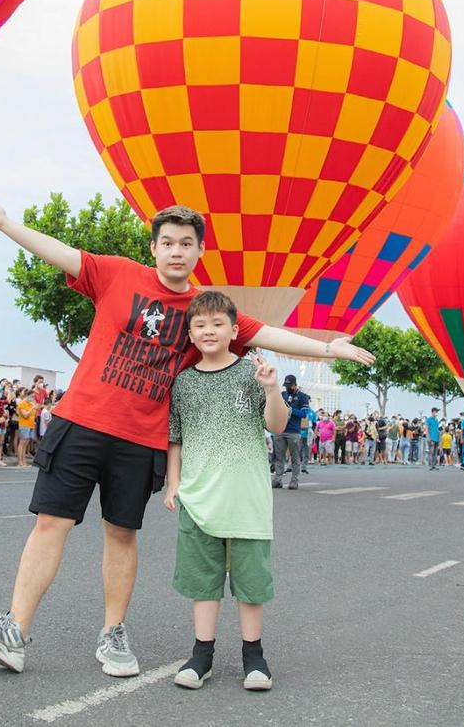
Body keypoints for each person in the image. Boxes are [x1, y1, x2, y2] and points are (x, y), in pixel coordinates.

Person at [0, 201, 372, 676]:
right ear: (154, 247)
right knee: (51, 523)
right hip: (82, 422)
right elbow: (63, 255)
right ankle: (13, 631)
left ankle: (113, 636)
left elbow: (268, 332)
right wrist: (7, 224)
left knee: (121, 532)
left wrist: (326, 348)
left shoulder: (203, 310)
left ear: (198, 252)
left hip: (141, 438)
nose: (176, 252)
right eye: (168, 243)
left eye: (186, 244)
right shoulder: (116, 274)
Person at [164, 292, 288, 691]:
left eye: (218, 324)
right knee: (203, 583)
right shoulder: (182, 382)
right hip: (198, 500)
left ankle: (255, 657)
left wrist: (271, 390)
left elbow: (277, 426)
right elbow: (176, 438)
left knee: (250, 585)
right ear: (190, 333)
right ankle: (202, 656)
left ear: (235, 330)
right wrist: (173, 483)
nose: (209, 331)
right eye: (200, 325)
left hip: (246, 501)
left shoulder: (252, 372)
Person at [272, 375, 308, 490]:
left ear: (294, 384)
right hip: (280, 429)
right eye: (286, 385)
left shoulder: (303, 397)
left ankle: (294, 480)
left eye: (289, 386)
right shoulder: (283, 395)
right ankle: (277, 479)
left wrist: (291, 410)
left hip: (293, 431)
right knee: (279, 457)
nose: (287, 388)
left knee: (295, 457)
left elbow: (304, 414)